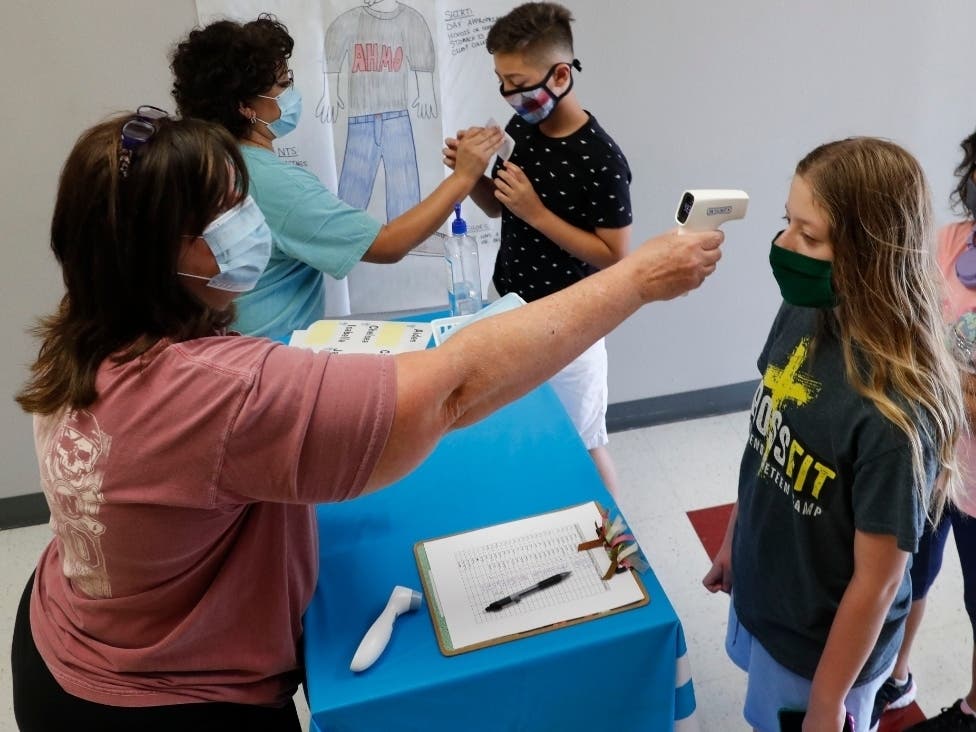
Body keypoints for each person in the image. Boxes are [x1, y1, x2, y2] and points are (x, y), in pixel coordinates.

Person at [10, 109, 722, 731]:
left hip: (66, 633)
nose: (249, 221)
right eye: (226, 212)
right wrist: (634, 281)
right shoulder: (212, 393)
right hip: (158, 702)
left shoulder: (90, 323)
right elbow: (450, 391)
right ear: (158, 253)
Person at [701, 137, 966, 732]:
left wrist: (826, 702)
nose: (783, 245)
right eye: (786, 223)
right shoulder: (804, 311)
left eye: (809, 235)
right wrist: (735, 539)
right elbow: (765, 440)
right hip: (771, 596)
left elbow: (878, 582)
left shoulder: (895, 412)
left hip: (824, 652)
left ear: (870, 255)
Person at [170, 14, 503, 340]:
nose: (291, 95)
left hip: (218, 351)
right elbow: (387, 244)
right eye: (283, 85)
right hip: (265, 360)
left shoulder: (200, 161)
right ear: (245, 106)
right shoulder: (268, 182)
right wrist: (462, 178)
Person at [443, 2, 631, 493]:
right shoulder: (522, 130)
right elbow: (499, 208)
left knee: (585, 443)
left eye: (519, 81)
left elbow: (614, 258)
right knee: (515, 428)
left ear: (561, 74)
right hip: (507, 305)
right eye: (501, 80)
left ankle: (614, 546)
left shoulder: (601, 157)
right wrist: (470, 177)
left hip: (572, 323)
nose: (509, 94)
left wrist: (537, 214)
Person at [871, 128, 976, 732]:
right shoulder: (947, 244)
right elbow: (909, 335)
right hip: (930, 464)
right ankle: (895, 676)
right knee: (910, 579)